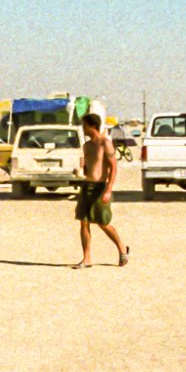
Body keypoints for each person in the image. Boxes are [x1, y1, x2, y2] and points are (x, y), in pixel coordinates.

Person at [73, 112, 128, 268]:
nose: (83, 128)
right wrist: (80, 171)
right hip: (86, 186)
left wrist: (108, 190)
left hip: (101, 187)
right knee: (84, 222)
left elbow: (113, 167)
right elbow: (87, 167)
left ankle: (122, 248)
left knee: (103, 222)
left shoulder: (105, 143)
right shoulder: (87, 146)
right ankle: (87, 258)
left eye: (84, 126)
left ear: (92, 126)